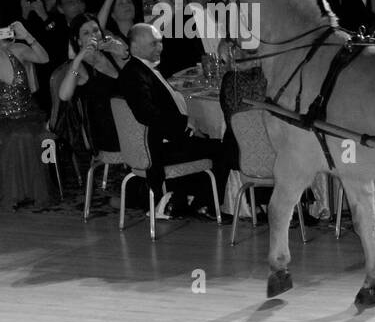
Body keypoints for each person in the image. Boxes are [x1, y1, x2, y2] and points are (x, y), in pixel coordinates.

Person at [116, 21, 229, 217]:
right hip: (158, 149)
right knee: (224, 149)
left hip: (164, 141)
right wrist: (186, 126)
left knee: (212, 141)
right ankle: (207, 204)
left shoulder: (143, 70)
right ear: (135, 47)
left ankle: (192, 198)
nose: (160, 47)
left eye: (160, 42)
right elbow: (147, 114)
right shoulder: (134, 75)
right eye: (153, 44)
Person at [54, 16, 128, 152]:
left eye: (96, 30)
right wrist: (78, 59)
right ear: (78, 41)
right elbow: (64, 95)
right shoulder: (78, 69)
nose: (93, 35)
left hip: (127, 118)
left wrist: (124, 55)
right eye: (86, 33)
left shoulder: (111, 54)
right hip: (106, 131)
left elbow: (134, 80)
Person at [0, 19, 52, 210]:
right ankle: (13, 195)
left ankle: (25, 193)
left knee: (22, 135)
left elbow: (44, 58)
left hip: (26, 114)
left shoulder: (19, 49)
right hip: (2, 118)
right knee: (14, 136)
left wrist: (27, 36)